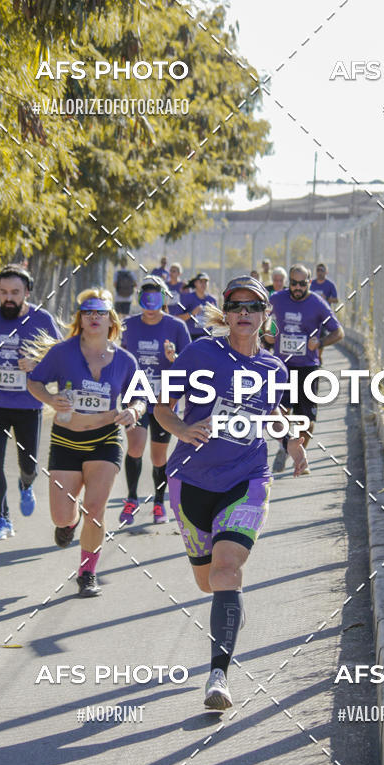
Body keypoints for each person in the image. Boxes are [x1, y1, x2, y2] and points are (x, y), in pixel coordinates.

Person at [154, 275, 308, 710]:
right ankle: (229, 610)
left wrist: (293, 443)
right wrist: (182, 428)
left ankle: (218, 675)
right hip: (191, 479)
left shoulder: (274, 369)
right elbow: (162, 405)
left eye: (253, 306)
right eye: (236, 306)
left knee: (226, 570)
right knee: (209, 582)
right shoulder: (201, 353)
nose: (244, 313)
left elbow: (274, 410)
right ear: (226, 312)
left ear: (265, 315)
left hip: (248, 478)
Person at [26, 288, 146, 598]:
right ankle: (69, 523)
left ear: (111, 320)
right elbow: (34, 381)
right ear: (81, 318)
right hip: (65, 441)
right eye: (88, 312)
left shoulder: (125, 360)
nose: (94, 317)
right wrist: (50, 398)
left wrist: (133, 410)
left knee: (96, 508)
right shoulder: (62, 353)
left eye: (100, 312)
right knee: (62, 516)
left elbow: (141, 397)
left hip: (104, 441)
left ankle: (87, 572)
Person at [0, 264, 61, 540]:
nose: (9, 298)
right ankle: (4, 520)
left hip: (29, 405)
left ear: (27, 292)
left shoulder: (42, 319)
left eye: (15, 292)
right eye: (4, 292)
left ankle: (26, 483)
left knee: (28, 465)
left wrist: (36, 362)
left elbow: (61, 355)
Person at [119, 276, 191, 524]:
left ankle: (159, 503)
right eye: (145, 298)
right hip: (135, 396)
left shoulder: (176, 327)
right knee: (135, 447)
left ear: (164, 299)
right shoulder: (127, 325)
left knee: (159, 457)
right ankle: (131, 499)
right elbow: (116, 357)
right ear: (139, 299)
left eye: (156, 299)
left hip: (163, 400)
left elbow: (188, 365)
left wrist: (174, 358)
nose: (150, 305)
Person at [266, 263, 344, 471]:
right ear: (288, 282)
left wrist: (319, 343)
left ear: (308, 283)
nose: (297, 288)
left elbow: (338, 332)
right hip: (282, 366)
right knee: (279, 410)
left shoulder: (317, 304)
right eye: (294, 283)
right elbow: (262, 320)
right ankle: (285, 445)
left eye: (302, 284)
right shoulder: (276, 299)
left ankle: (297, 453)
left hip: (308, 367)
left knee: (307, 421)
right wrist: (267, 335)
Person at [173, 272, 217, 340]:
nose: (203, 284)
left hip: (208, 336)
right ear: (195, 283)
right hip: (192, 336)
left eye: (205, 282)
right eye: (201, 282)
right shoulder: (187, 298)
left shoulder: (212, 300)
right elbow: (177, 318)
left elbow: (217, 321)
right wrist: (192, 313)